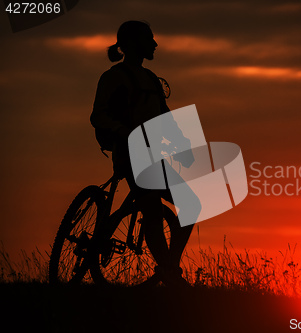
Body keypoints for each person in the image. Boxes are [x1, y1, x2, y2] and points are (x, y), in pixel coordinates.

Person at [91, 20, 198, 286]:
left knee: (192, 204)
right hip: (128, 153)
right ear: (132, 43)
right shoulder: (113, 76)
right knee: (151, 210)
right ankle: (171, 274)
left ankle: (169, 267)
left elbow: (165, 117)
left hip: (151, 155)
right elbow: (98, 115)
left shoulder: (150, 78)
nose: (155, 44)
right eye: (149, 39)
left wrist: (182, 143)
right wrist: (121, 131)